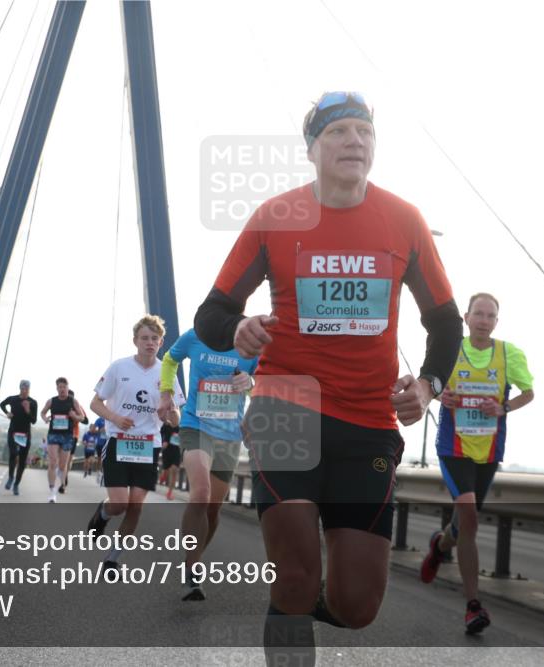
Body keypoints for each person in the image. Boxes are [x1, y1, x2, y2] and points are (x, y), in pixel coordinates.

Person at [194, 92, 462, 665]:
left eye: (363, 132)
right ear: (312, 149)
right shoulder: (275, 217)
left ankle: (290, 604)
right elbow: (210, 315)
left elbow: (444, 322)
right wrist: (237, 326)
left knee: (356, 606)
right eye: (338, 132)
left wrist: (428, 386)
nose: (354, 142)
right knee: (294, 574)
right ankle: (289, 600)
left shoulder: (405, 220)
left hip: (368, 420)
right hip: (284, 404)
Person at [418, 292, 535, 634]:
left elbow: (528, 393)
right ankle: (473, 606)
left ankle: (440, 546)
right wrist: (442, 395)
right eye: (478, 314)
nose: (484, 320)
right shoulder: (451, 350)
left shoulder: (508, 354)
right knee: (469, 516)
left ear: (496, 322)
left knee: (463, 525)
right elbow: (430, 385)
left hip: (488, 450)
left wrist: (504, 407)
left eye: (490, 316)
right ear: (466, 318)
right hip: (454, 447)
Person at [158, 328, 258, 600]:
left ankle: (194, 556)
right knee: (200, 494)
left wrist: (250, 382)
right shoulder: (195, 336)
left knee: (213, 509)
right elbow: (169, 359)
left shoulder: (251, 342)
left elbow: (266, 383)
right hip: (195, 425)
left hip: (229, 435)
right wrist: (166, 393)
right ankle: (192, 570)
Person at [87, 315, 185, 571]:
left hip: (148, 446)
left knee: (135, 506)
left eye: (154, 339)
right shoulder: (119, 368)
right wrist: (115, 417)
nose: (149, 343)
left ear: (161, 342)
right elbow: (95, 403)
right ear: (135, 341)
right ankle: (103, 514)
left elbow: (175, 420)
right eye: (144, 338)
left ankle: (112, 560)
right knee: (119, 504)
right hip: (118, 442)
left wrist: (172, 413)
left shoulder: (167, 373)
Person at [40, 378, 86, 501]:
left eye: (64, 387)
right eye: (59, 387)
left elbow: (82, 417)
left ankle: (62, 482)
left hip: (67, 436)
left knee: (62, 465)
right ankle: (52, 492)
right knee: (53, 462)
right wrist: (45, 419)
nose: (62, 389)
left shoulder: (73, 401)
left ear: (67, 387)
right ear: (57, 388)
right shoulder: (51, 401)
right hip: (54, 434)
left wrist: (74, 416)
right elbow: (42, 412)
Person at [0, 380, 38, 496]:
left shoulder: (33, 403)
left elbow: (34, 420)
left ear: (29, 389)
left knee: (22, 461)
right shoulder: (13, 399)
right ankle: (11, 477)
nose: (25, 390)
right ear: (20, 388)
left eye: (27, 388)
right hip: (13, 432)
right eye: (23, 388)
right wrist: (7, 412)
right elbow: (2, 404)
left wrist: (27, 410)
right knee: (13, 454)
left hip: (25, 435)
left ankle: (16, 484)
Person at [159, 421, 181, 500]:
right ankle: (164, 474)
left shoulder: (182, 424)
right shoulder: (166, 424)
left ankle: (170, 492)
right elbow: (160, 434)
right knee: (167, 470)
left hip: (177, 450)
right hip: (167, 450)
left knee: (174, 469)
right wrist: (164, 441)